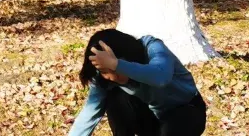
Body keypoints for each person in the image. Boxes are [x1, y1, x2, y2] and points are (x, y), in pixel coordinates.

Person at [68, 29, 206, 136]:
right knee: (115, 99)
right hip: (151, 119)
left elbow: (161, 78)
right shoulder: (103, 76)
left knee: (175, 125)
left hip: (186, 112)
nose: (110, 76)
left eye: (112, 69)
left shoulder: (153, 47)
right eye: (104, 71)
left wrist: (116, 64)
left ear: (127, 58)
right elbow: (90, 113)